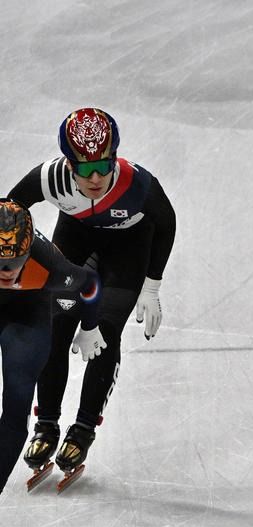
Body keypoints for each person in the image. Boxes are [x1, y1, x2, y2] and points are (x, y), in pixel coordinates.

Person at [8, 108, 176, 481]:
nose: (96, 178)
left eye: (104, 166)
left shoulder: (138, 184)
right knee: (55, 327)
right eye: (85, 170)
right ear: (69, 166)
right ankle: (46, 424)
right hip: (76, 240)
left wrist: (152, 285)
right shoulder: (48, 178)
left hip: (128, 250)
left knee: (105, 332)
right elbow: (10, 213)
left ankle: (83, 428)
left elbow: (167, 223)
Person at [0, 199, 105, 493]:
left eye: (15, 263)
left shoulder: (50, 265)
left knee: (16, 407)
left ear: (28, 253)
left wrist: (89, 326)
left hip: (26, 313)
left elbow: (90, 284)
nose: (6, 272)